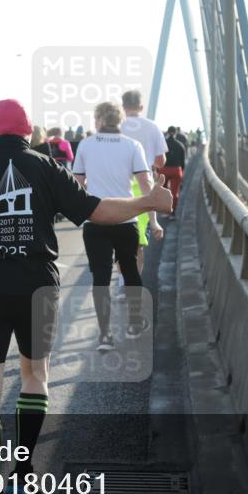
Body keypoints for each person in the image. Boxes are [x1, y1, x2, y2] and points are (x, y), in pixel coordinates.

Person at [0, 98, 172, 494]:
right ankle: (22, 474)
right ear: (27, 131)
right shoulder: (45, 166)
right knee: (35, 377)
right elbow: (96, 211)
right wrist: (147, 202)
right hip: (36, 285)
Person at [72, 102, 152, 350]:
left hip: (95, 220)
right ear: (120, 120)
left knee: (100, 277)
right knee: (130, 271)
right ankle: (135, 323)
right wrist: (153, 219)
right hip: (126, 219)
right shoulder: (132, 145)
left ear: (98, 119)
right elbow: (145, 185)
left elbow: (77, 184)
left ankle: (105, 335)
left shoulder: (86, 145)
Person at [120, 89, 166, 274]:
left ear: (123, 106)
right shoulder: (152, 127)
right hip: (143, 185)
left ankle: (123, 278)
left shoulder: (116, 126)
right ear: (141, 106)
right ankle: (134, 282)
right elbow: (160, 161)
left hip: (118, 185)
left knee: (120, 237)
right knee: (139, 240)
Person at [159, 128, 186, 219]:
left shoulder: (163, 144)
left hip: (164, 169)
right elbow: (183, 162)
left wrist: (157, 170)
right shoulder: (180, 145)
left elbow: (159, 158)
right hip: (176, 170)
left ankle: (166, 211)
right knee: (175, 192)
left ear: (167, 132)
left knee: (164, 191)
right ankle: (173, 212)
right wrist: (181, 172)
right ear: (176, 133)